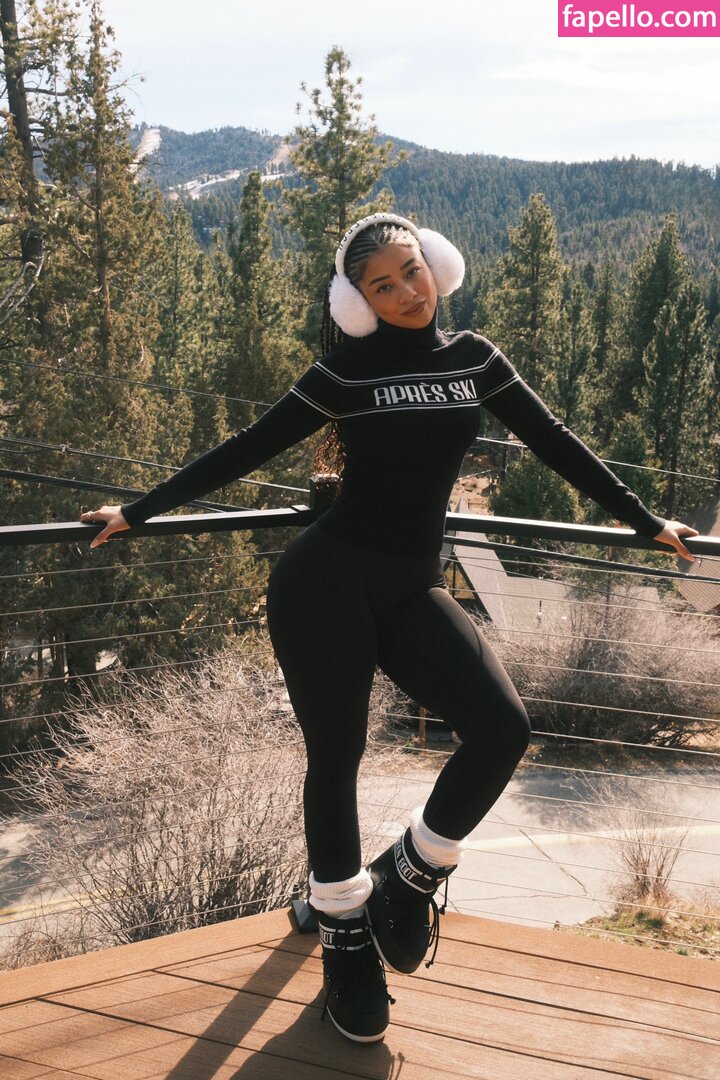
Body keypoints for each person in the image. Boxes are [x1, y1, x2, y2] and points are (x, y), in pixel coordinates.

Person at [80, 212, 698, 1044]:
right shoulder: (345, 370)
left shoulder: (475, 358)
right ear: (360, 303)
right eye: (383, 285)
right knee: (337, 759)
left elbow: (553, 440)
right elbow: (246, 447)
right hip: (324, 585)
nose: (407, 291)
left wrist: (643, 520)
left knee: (502, 729)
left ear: (436, 264)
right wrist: (139, 511)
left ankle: (406, 878)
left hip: (410, 587)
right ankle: (343, 933)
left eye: (413, 270)